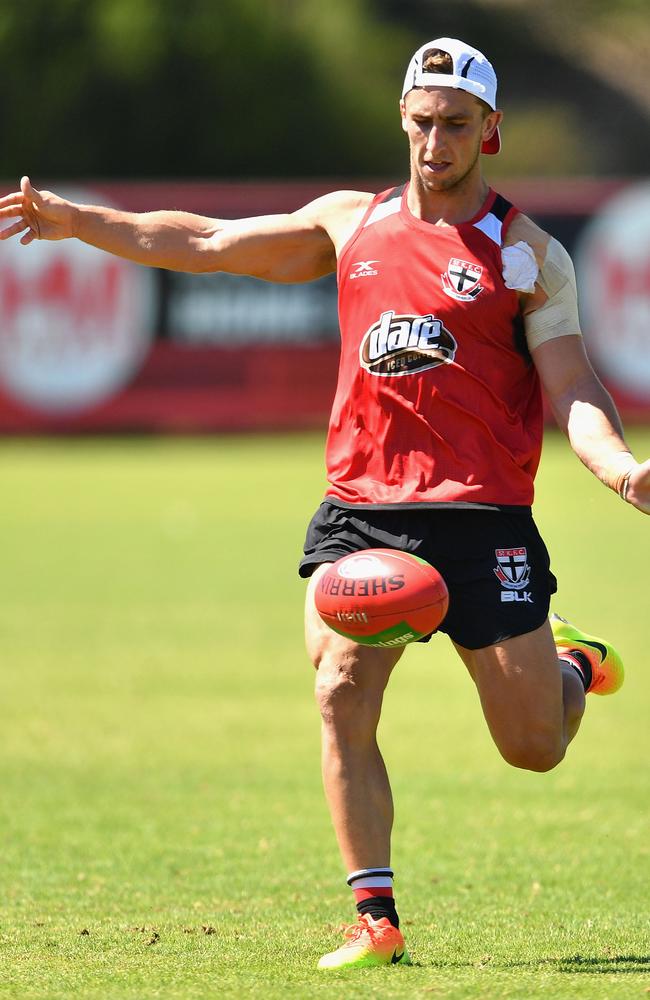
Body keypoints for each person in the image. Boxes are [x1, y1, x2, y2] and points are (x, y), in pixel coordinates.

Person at [1, 35, 648, 972]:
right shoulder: (351, 223)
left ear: (491, 131)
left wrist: (621, 466)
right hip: (363, 511)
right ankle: (374, 918)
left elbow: (573, 383)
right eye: (422, 122)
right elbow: (210, 243)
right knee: (340, 688)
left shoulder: (529, 257)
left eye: (457, 126)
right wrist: (80, 223)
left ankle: (575, 664)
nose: (436, 144)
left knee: (535, 748)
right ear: (403, 118)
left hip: (484, 518)